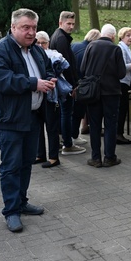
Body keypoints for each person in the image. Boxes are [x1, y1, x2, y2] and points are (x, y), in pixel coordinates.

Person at [0, 9, 53, 233]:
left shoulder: (36, 51)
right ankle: (11, 211)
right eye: (26, 27)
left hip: (32, 116)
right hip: (10, 118)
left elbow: (46, 69)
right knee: (11, 166)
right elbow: (1, 80)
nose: (31, 32)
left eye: (33, 28)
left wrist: (50, 79)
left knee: (26, 162)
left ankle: (22, 202)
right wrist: (34, 83)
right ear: (13, 28)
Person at [80, 24, 125, 168]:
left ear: (101, 34)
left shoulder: (91, 46)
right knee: (111, 125)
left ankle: (95, 158)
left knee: (94, 125)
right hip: (111, 93)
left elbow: (83, 68)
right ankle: (109, 157)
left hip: (93, 93)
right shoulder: (116, 49)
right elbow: (121, 73)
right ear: (113, 36)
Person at [49, 11, 86, 155]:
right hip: (65, 83)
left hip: (62, 82)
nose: (71, 26)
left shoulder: (59, 37)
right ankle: (68, 143)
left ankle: (61, 141)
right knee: (66, 112)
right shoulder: (61, 39)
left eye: (72, 24)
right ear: (60, 23)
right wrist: (73, 84)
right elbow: (66, 65)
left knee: (63, 113)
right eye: (68, 23)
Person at [34, 31, 64, 168]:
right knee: (38, 126)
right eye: (38, 42)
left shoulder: (55, 55)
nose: (40, 45)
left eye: (43, 43)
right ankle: (40, 154)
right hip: (37, 96)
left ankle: (53, 157)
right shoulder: (33, 54)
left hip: (51, 96)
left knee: (51, 127)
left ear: (48, 43)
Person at [71, 29, 100, 137]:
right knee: (78, 112)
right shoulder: (87, 51)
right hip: (80, 85)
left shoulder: (75, 45)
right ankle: (74, 136)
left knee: (71, 112)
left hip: (71, 82)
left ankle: (70, 136)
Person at [116, 27, 131, 145]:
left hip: (126, 83)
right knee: (121, 109)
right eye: (128, 35)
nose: (130, 38)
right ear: (121, 36)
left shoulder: (127, 49)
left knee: (123, 109)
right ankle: (118, 135)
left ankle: (119, 133)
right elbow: (122, 67)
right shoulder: (121, 48)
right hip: (121, 83)